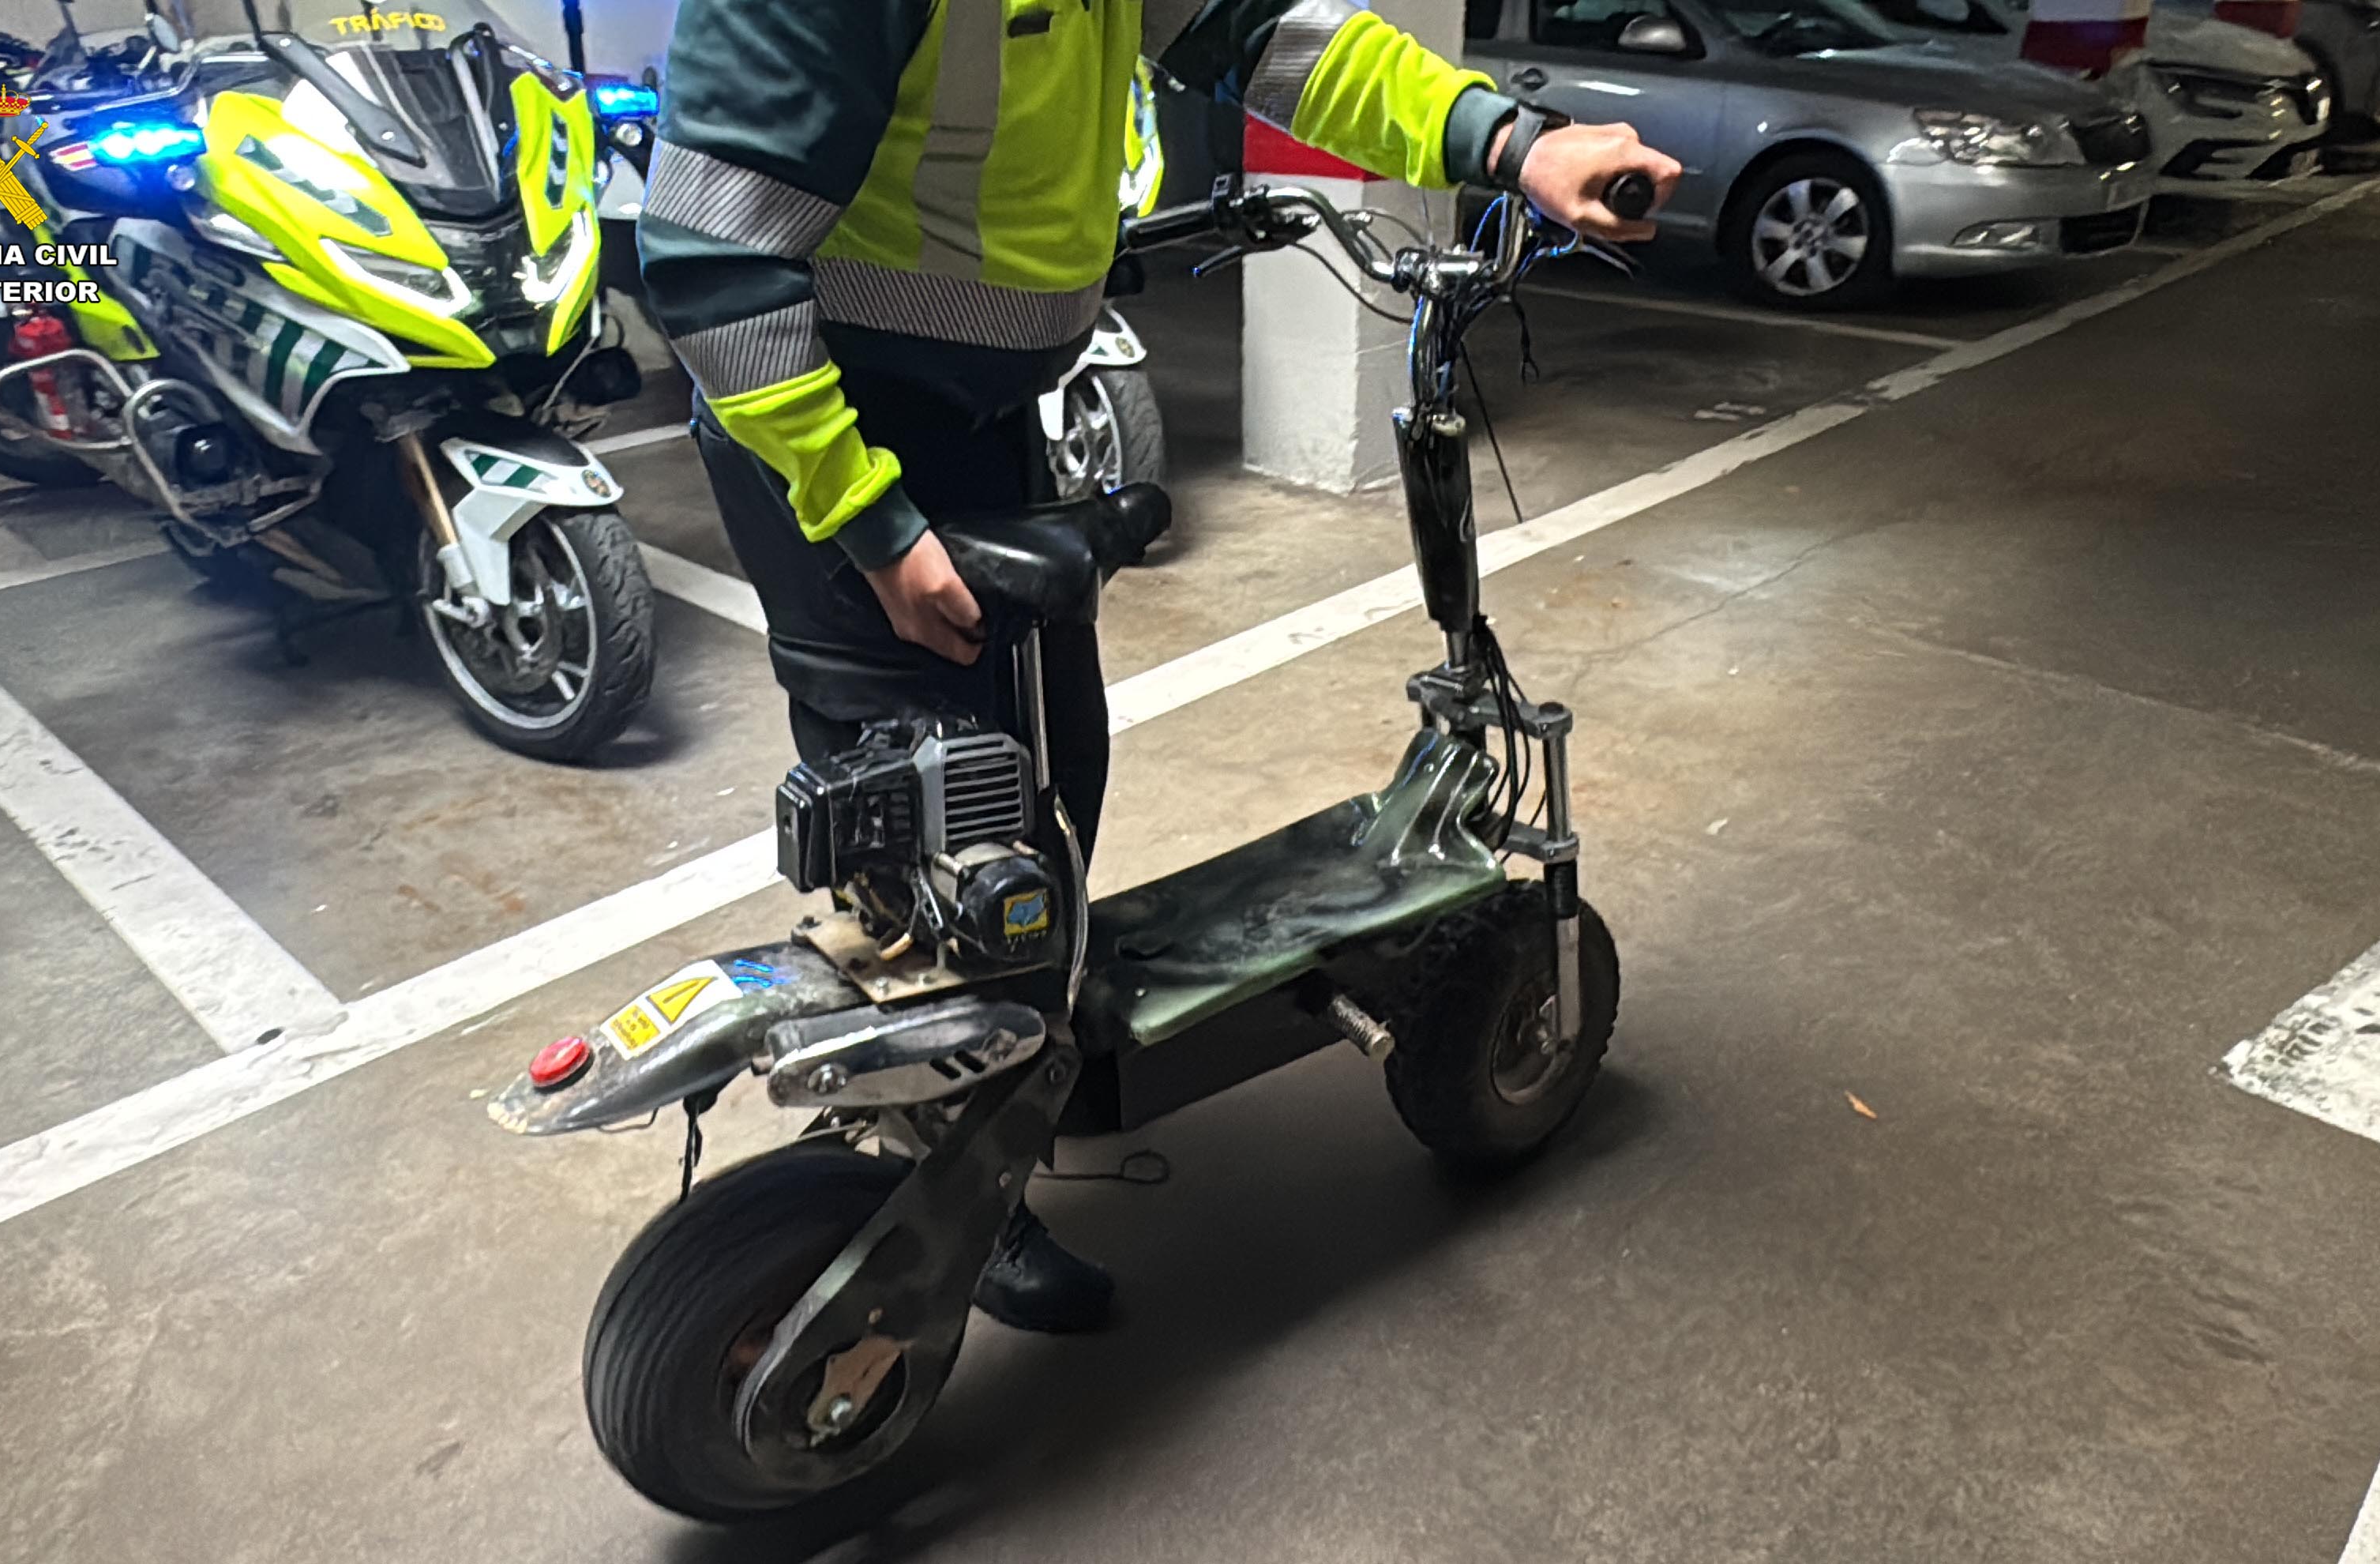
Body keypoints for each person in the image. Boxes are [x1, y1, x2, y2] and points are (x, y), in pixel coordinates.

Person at [640, 0, 1680, 1334]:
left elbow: (1275, 41)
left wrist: (1509, 145)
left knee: (1051, 780)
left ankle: (996, 1095)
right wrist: (872, 527)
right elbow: (711, 258)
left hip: (982, 411)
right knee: (948, 837)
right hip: (832, 421)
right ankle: (948, 1211)